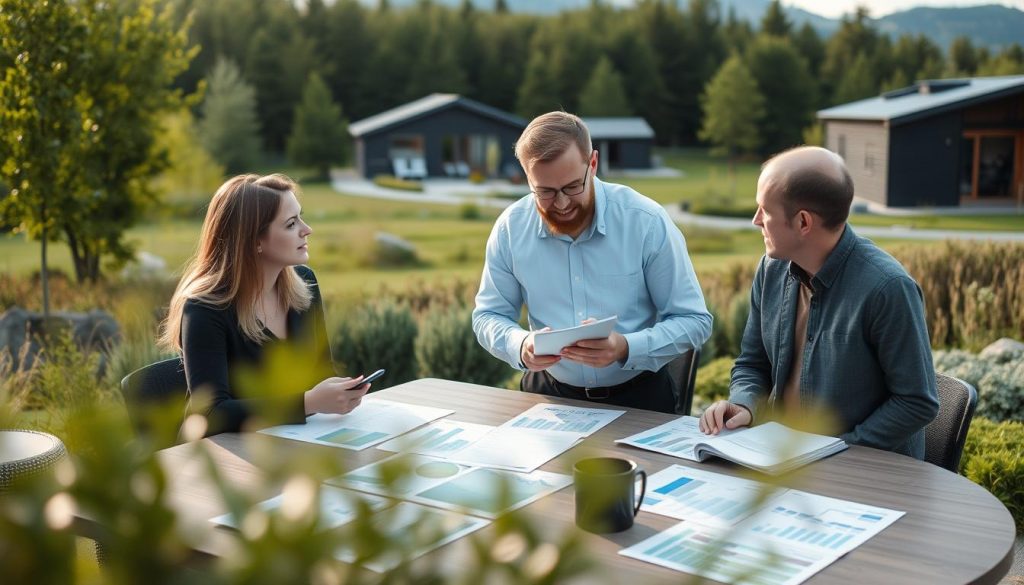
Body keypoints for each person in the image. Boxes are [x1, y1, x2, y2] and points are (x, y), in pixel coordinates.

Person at [699, 146, 939, 458]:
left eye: (765, 211)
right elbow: (752, 363)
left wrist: (840, 449)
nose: (756, 220)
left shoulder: (888, 289)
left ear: (803, 223)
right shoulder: (770, 270)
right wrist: (744, 403)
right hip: (778, 460)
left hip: (869, 474)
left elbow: (917, 402)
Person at [472, 112, 712, 413]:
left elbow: (695, 322)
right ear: (527, 179)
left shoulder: (646, 223)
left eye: (573, 186)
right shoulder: (511, 228)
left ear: (593, 164)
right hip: (548, 397)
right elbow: (487, 316)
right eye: (544, 192)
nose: (561, 204)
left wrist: (625, 347)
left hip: (640, 399)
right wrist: (519, 344)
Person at [160, 174, 368, 435]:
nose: (307, 229)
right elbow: (210, 413)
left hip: (290, 442)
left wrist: (341, 393)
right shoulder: (205, 309)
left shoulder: (305, 283)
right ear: (255, 240)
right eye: (291, 224)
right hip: (223, 456)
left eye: (300, 218)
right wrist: (308, 402)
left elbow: (321, 370)